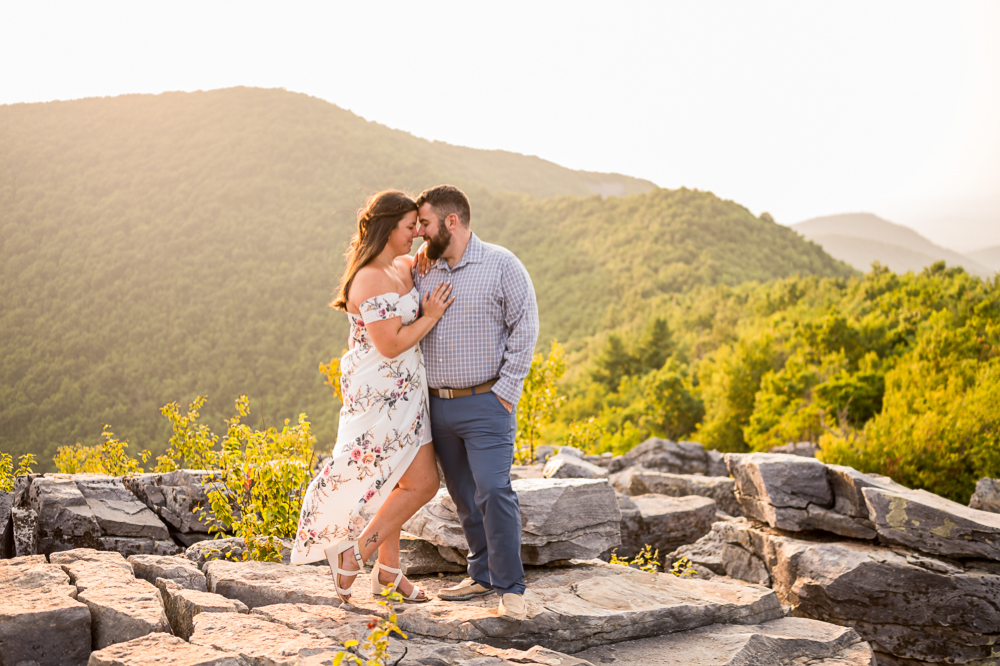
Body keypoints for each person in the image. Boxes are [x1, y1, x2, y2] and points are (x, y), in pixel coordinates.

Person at [290, 190, 455, 604]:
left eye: (419, 225)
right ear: (386, 229)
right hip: (379, 396)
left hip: (407, 393)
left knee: (402, 482)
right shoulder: (368, 278)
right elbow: (390, 344)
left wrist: (427, 258)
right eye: (409, 227)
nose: (416, 234)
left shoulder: (402, 265)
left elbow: (420, 262)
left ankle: (388, 572)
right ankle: (355, 555)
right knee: (423, 484)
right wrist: (431, 316)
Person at [412, 184, 539, 621]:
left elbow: (525, 328)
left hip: (488, 402)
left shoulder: (502, 264)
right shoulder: (423, 269)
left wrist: (506, 392)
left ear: (451, 221)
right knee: (463, 494)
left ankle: (511, 587)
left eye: (424, 224)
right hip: (437, 406)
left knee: (493, 489)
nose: (419, 233)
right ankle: (481, 572)